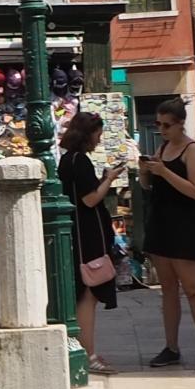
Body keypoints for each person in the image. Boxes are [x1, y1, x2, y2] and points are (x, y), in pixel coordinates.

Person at [141, 97, 195, 370]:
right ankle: (171, 347)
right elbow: (149, 187)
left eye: (167, 125)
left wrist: (164, 172)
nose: (161, 130)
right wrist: (146, 172)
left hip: (183, 225)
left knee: (192, 288)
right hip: (161, 224)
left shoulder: (192, 150)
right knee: (168, 290)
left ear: (180, 124)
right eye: (158, 124)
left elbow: (194, 190)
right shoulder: (162, 148)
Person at [58, 111, 127, 375]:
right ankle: (87, 353)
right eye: (97, 134)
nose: (99, 139)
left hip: (80, 232)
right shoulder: (80, 161)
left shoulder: (67, 159)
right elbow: (90, 199)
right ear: (88, 135)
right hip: (87, 235)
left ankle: (85, 350)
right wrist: (109, 179)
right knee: (89, 292)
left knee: (86, 291)